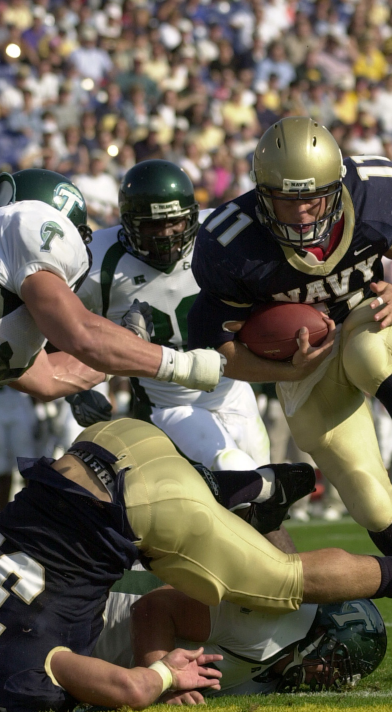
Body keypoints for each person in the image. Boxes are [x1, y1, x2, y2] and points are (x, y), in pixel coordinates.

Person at [188, 116, 392, 569]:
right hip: (305, 364)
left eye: (312, 197)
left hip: (371, 317)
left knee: (366, 354)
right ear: (262, 194)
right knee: (369, 498)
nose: (303, 211)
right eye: (287, 200)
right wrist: (287, 371)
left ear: (337, 186)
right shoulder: (232, 244)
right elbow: (220, 353)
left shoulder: (372, 198)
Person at [0, 417, 392, 712]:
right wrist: (158, 675)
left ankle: (252, 493)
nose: (329, 676)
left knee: (257, 567)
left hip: (120, 476)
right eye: (336, 664)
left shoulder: (16, 660)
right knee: (283, 580)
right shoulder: (19, 670)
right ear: (326, 634)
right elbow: (141, 661)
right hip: (104, 458)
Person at [78, 160, 271, 478]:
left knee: (266, 484)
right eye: (152, 225)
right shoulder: (98, 261)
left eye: (175, 223)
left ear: (192, 216)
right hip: (168, 404)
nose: (166, 234)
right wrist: (80, 388)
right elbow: (56, 324)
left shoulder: (219, 236)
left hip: (233, 388)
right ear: (128, 222)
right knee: (234, 470)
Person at [0, 169, 224, 402]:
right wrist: (186, 366)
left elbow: (46, 379)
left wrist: (128, 344)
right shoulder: (29, 219)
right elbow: (81, 333)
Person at [95, 583, 390, 701]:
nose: (333, 677)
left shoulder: (277, 672)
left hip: (99, 663)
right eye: (336, 661)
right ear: (319, 636)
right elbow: (153, 608)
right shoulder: (265, 625)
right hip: (95, 617)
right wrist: (158, 682)